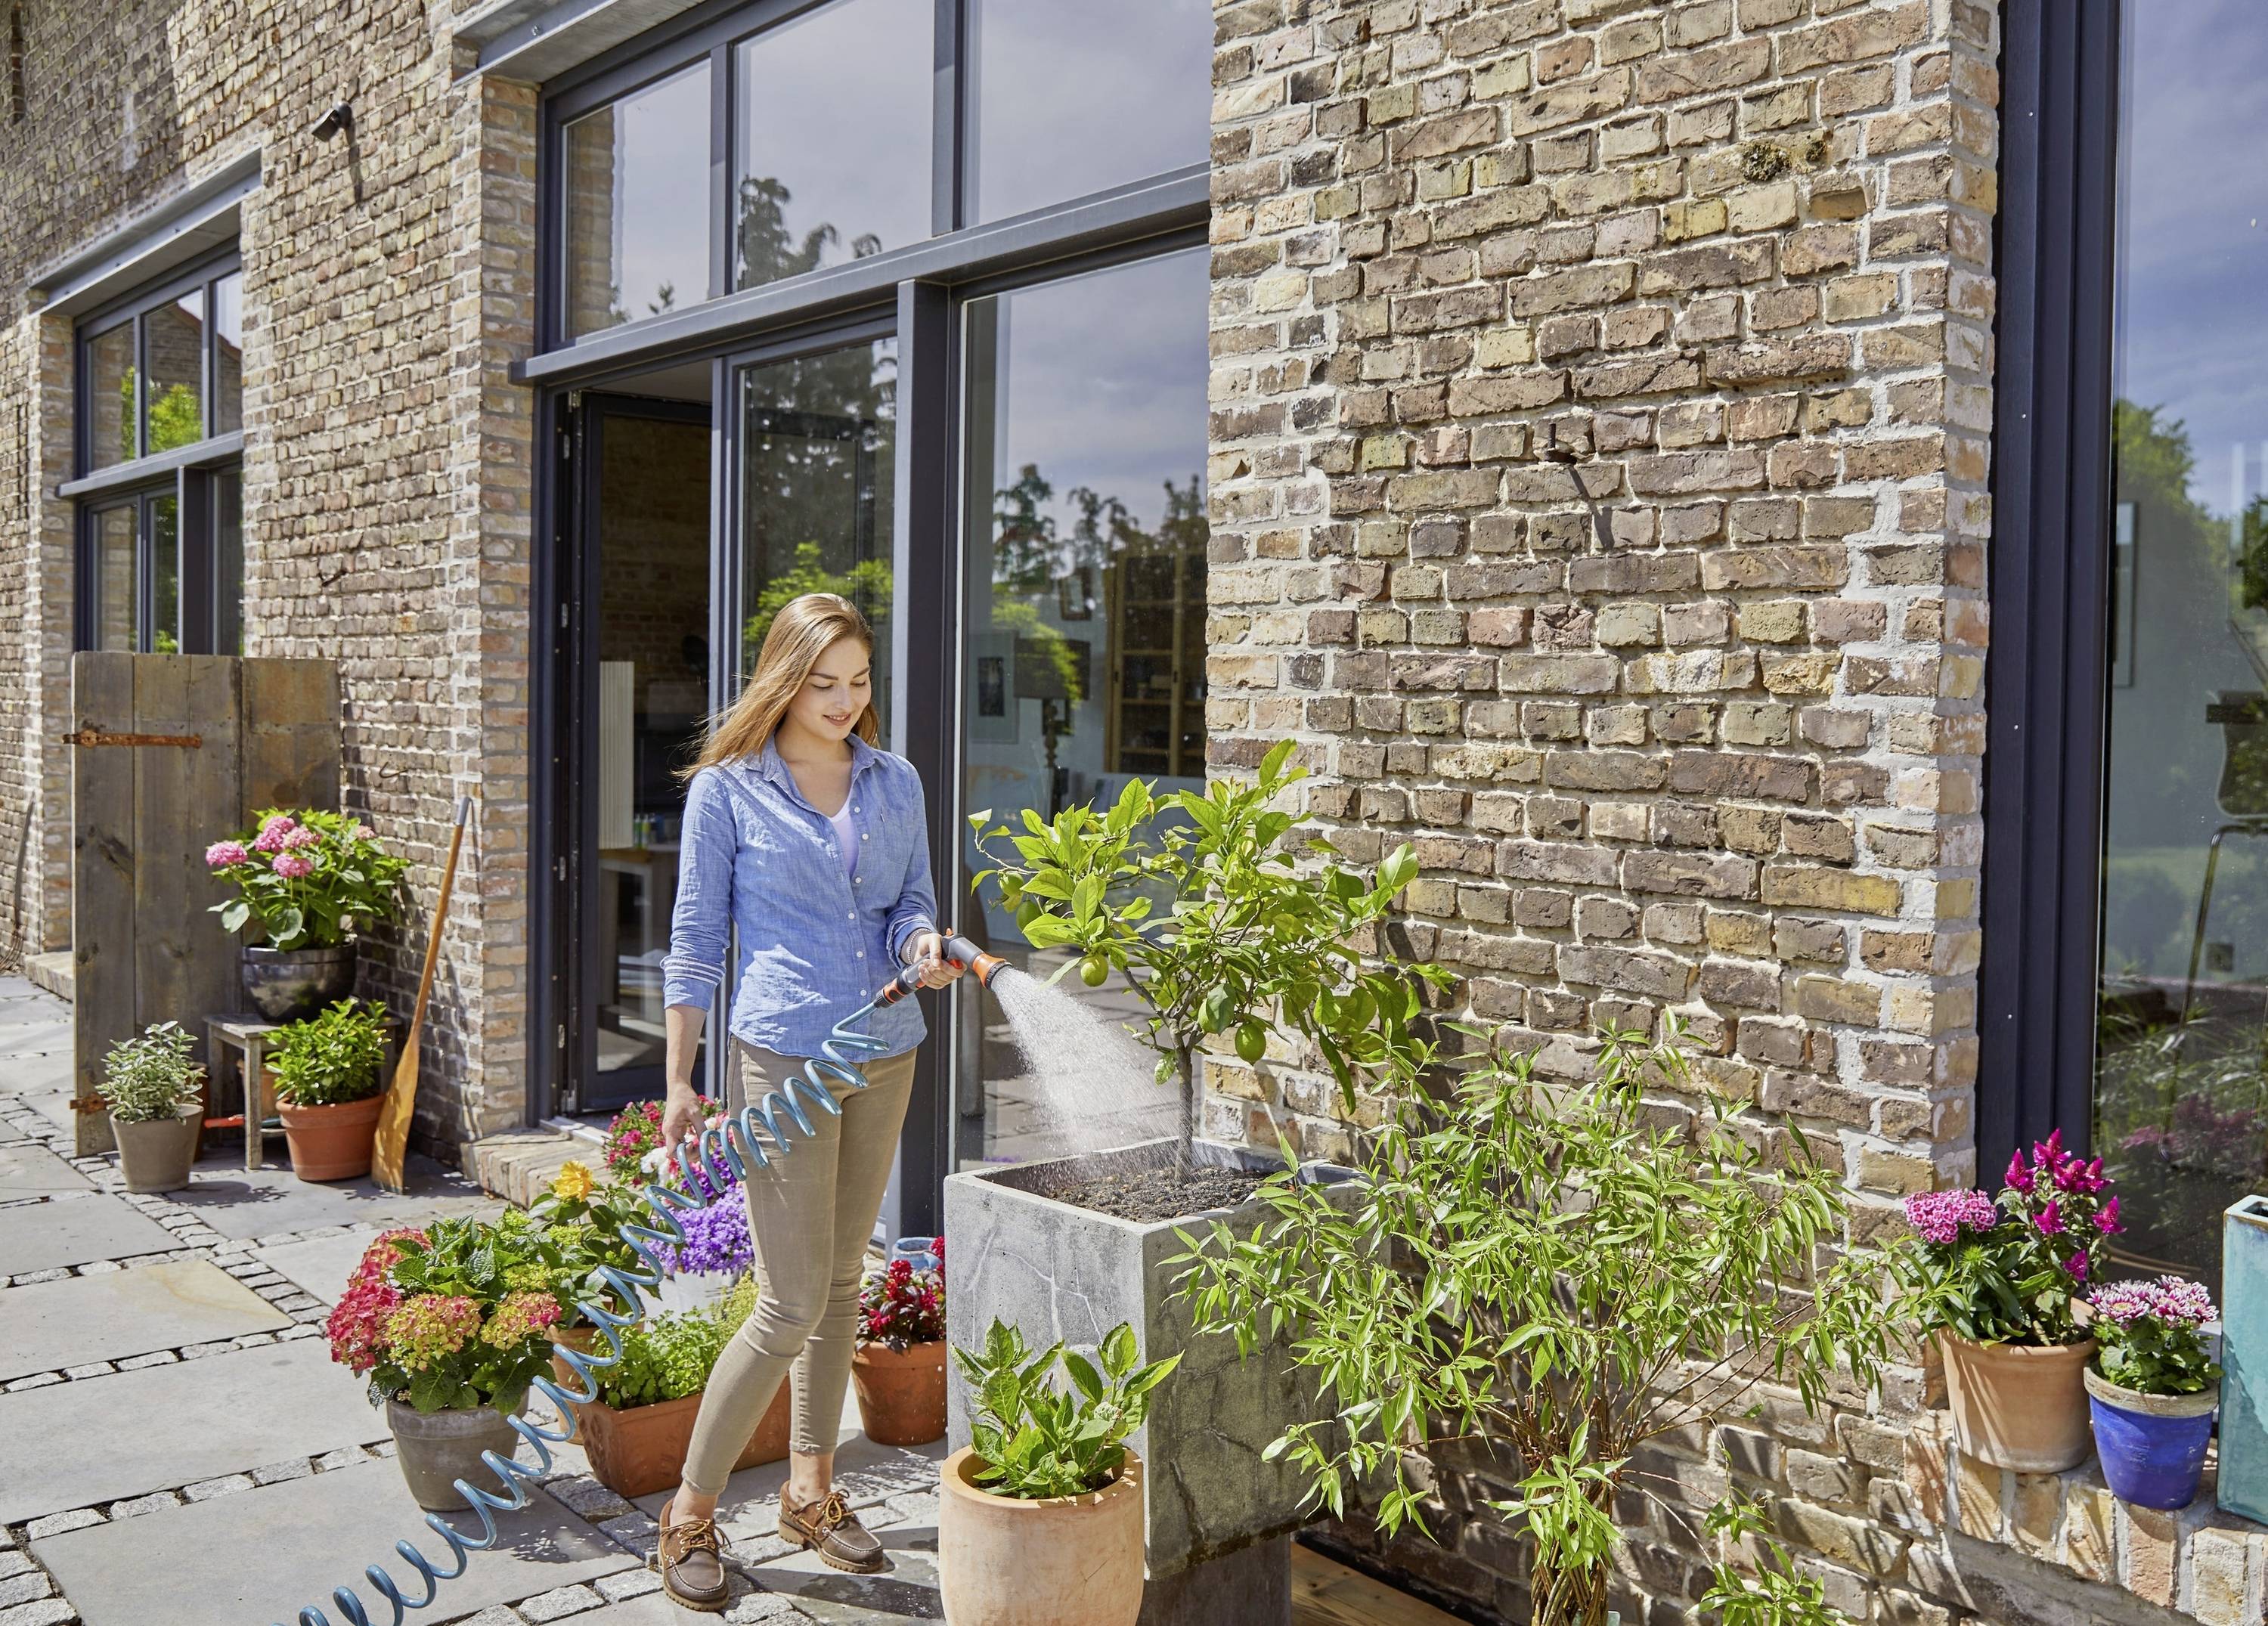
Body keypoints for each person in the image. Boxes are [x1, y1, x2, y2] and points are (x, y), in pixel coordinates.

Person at [650, 592, 961, 1610]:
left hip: (886, 1049)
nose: (843, 701)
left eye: (859, 682)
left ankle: (810, 1494)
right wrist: (681, 1082)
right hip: (783, 1057)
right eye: (823, 683)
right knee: (787, 1301)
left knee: (839, 1287)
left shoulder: (895, 781)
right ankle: (689, 1512)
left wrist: (921, 944)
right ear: (783, 680)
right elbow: (696, 943)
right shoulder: (729, 791)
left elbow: (911, 899)